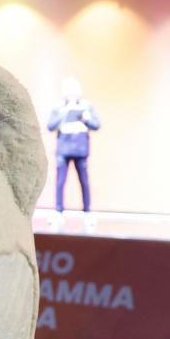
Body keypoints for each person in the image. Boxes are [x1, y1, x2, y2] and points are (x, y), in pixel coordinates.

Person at [47, 76, 102, 228]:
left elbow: (96, 125)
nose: (71, 93)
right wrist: (65, 112)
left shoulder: (86, 106)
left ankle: (87, 212)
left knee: (84, 181)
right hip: (63, 151)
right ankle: (58, 212)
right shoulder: (59, 108)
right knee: (60, 182)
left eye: (74, 90)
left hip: (81, 150)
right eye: (68, 90)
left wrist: (86, 119)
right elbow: (50, 126)